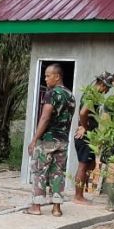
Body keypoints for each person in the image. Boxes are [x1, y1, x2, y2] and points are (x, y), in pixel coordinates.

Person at [26, 63, 76, 217]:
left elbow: (45, 116)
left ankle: (36, 207)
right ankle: (56, 208)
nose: (45, 79)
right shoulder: (71, 95)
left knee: (39, 171)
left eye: (48, 75)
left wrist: (34, 139)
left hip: (48, 139)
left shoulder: (51, 94)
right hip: (63, 141)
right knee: (58, 173)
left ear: (57, 76)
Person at [73, 73, 111, 204]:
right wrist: (84, 127)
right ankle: (78, 196)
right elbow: (83, 112)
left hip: (89, 135)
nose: (107, 91)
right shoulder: (91, 95)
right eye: (107, 88)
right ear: (102, 84)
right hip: (85, 136)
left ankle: (81, 193)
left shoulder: (93, 95)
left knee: (91, 164)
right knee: (83, 165)